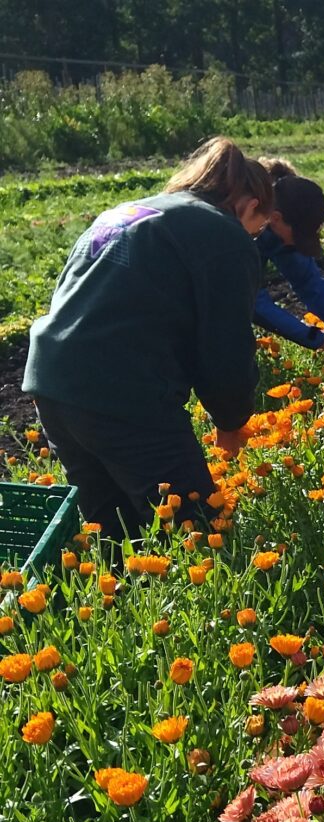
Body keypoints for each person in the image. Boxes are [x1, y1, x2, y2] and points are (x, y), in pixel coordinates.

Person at [22, 136, 271, 538]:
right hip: (122, 391)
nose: (252, 237)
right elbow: (226, 348)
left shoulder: (133, 212)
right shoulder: (223, 232)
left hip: (51, 379)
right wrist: (231, 420)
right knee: (198, 530)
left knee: (114, 531)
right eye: (257, 230)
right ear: (252, 206)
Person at [254, 159, 324, 365]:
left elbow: (309, 283)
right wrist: (322, 341)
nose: (295, 243)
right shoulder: (240, 229)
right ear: (275, 218)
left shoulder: (281, 226)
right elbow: (253, 301)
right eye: (298, 235)